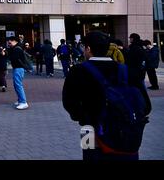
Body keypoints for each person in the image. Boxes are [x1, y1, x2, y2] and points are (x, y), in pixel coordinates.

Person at [62, 31, 151, 161]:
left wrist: (83, 118)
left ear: (88, 48)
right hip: (126, 130)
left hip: (88, 128)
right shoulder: (126, 70)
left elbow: (68, 102)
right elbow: (146, 105)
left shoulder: (78, 71)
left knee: (89, 156)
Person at [7, 36, 29, 110]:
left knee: (18, 85)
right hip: (17, 68)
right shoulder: (16, 48)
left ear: (14, 41)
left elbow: (13, 58)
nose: (9, 43)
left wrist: (8, 52)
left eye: (10, 42)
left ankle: (23, 102)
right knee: (16, 85)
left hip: (19, 68)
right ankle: (20, 100)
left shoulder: (17, 49)